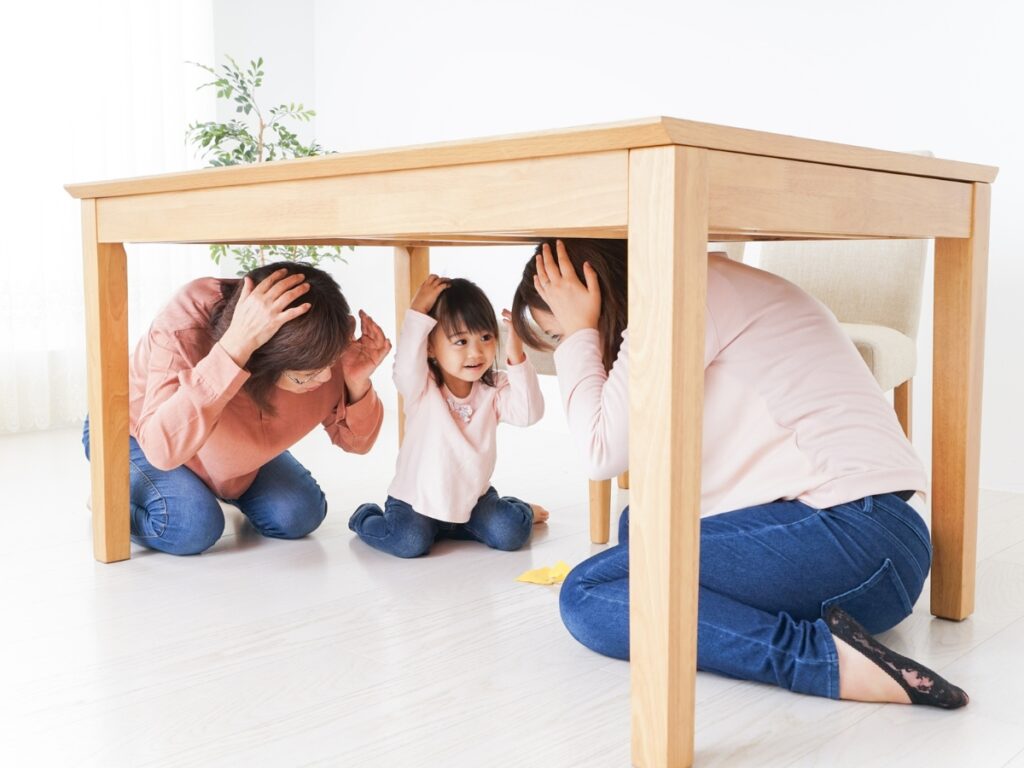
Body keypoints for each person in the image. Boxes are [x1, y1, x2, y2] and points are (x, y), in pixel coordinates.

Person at [510, 238, 968, 708]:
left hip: (853, 537)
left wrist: (579, 334)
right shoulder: (711, 284)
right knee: (638, 527)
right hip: (874, 547)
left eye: (559, 332)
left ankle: (823, 661)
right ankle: (820, 638)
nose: (571, 341)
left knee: (589, 592)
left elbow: (600, 452)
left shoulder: (678, 295)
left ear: (595, 294)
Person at [82, 262, 390, 556]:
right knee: (191, 526)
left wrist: (356, 382)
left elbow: (356, 442)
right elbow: (161, 449)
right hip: (138, 433)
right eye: (305, 376)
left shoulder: (323, 347)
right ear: (265, 363)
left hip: (227, 447)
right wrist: (235, 347)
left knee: (299, 514)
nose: (323, 379)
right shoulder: (187, 323)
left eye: (328, 366)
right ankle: (112, 501)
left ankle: (209, 486)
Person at [349, 275, 548, 558]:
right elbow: (405, 365)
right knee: (408, 542)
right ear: (430, 347)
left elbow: (529, 413)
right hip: (416, 502)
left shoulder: (495, 387)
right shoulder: (421, 385)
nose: (476, 352)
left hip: (472, 501)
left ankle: (517, 510)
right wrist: (418, 311)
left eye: (486, 338)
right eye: (460, 341)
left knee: (510, 531)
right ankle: (365, 516)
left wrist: (516, 354)